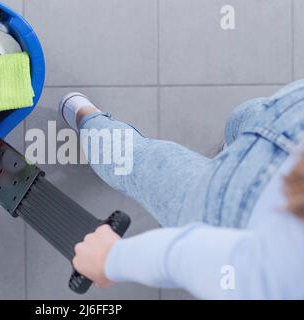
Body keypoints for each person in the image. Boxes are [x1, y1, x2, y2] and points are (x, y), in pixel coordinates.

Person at [58, 80, 304, 299]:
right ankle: (89, 120)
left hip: (291, 114)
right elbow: (212, 261)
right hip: (234, 209)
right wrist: (111, 259)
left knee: (246, 117)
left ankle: (235, 152)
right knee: (139, 163)